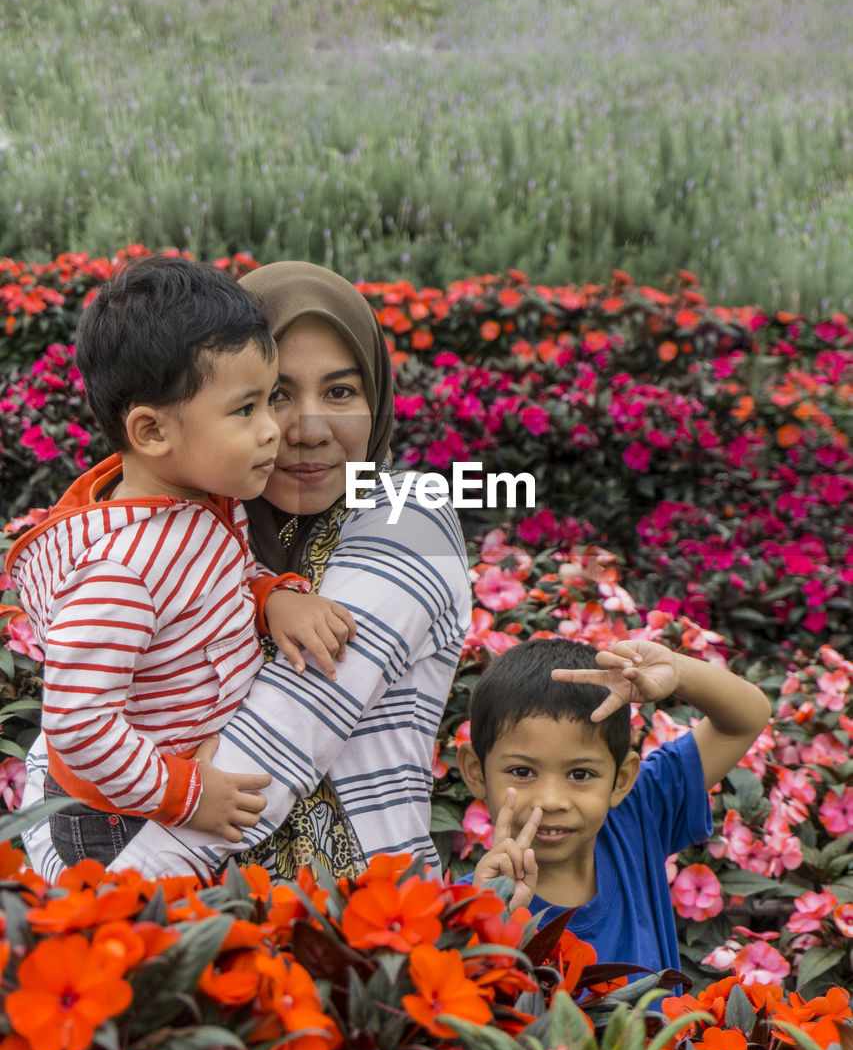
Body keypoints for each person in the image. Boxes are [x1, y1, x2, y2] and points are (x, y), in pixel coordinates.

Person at [21, 261, 472, 883]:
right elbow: (72, 724)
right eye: (273, 396)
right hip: (166, 894)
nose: (300, 430)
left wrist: (96, 905)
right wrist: (80, 891)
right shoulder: (175, 526)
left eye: (341, 392)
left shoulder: (406, 518)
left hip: (354, 919)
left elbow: (275, 746)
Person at [7, 257, 354, 868]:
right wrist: (185, 794)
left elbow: (221, 582)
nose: (276, 429)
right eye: (247, 409)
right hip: (120, 819)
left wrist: (274, 597)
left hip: (175, 794)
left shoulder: (200, 503)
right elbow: (79, 727)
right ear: (152, 431)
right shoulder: (119, 571)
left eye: (268, 400)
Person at [456, 636, 771, 982]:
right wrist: (493, 918)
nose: (551, 800)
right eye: (522, 772)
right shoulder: (467, 908)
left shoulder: (635, 818)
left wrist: (677, 671)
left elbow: (747, 717)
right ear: (476, 772)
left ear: (622, 780)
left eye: (580, 774)